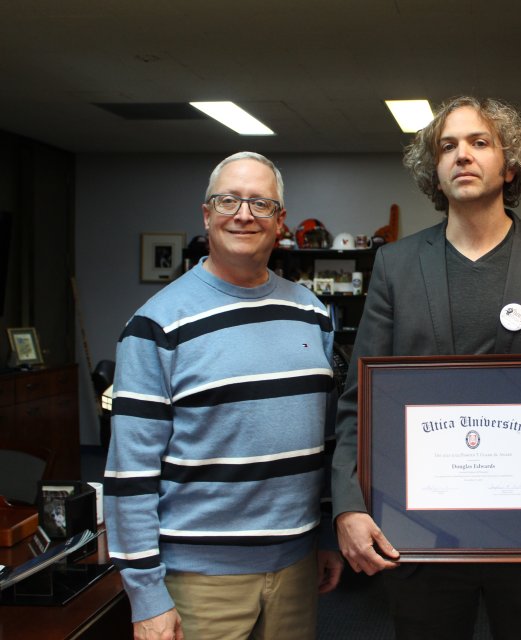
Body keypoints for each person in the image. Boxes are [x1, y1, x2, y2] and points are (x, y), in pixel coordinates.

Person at [331, 96, 521, 639]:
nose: (462, 155)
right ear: (434, 174)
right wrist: (347, 505)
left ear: (509, 167)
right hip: (421, 528)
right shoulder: (395, 264)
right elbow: (357, 401)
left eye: (479, 143)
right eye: (447, 147)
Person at [104, 151, 343, 640]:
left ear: (280, 222)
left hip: (296, 567)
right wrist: (145, 595)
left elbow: (324, 443)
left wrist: (324, 535)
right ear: (207, 214)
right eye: (229, 200)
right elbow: (130, 473)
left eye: (261, 204)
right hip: (199, 579)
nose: (243, 214)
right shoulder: (156, 324)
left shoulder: (312, 313)